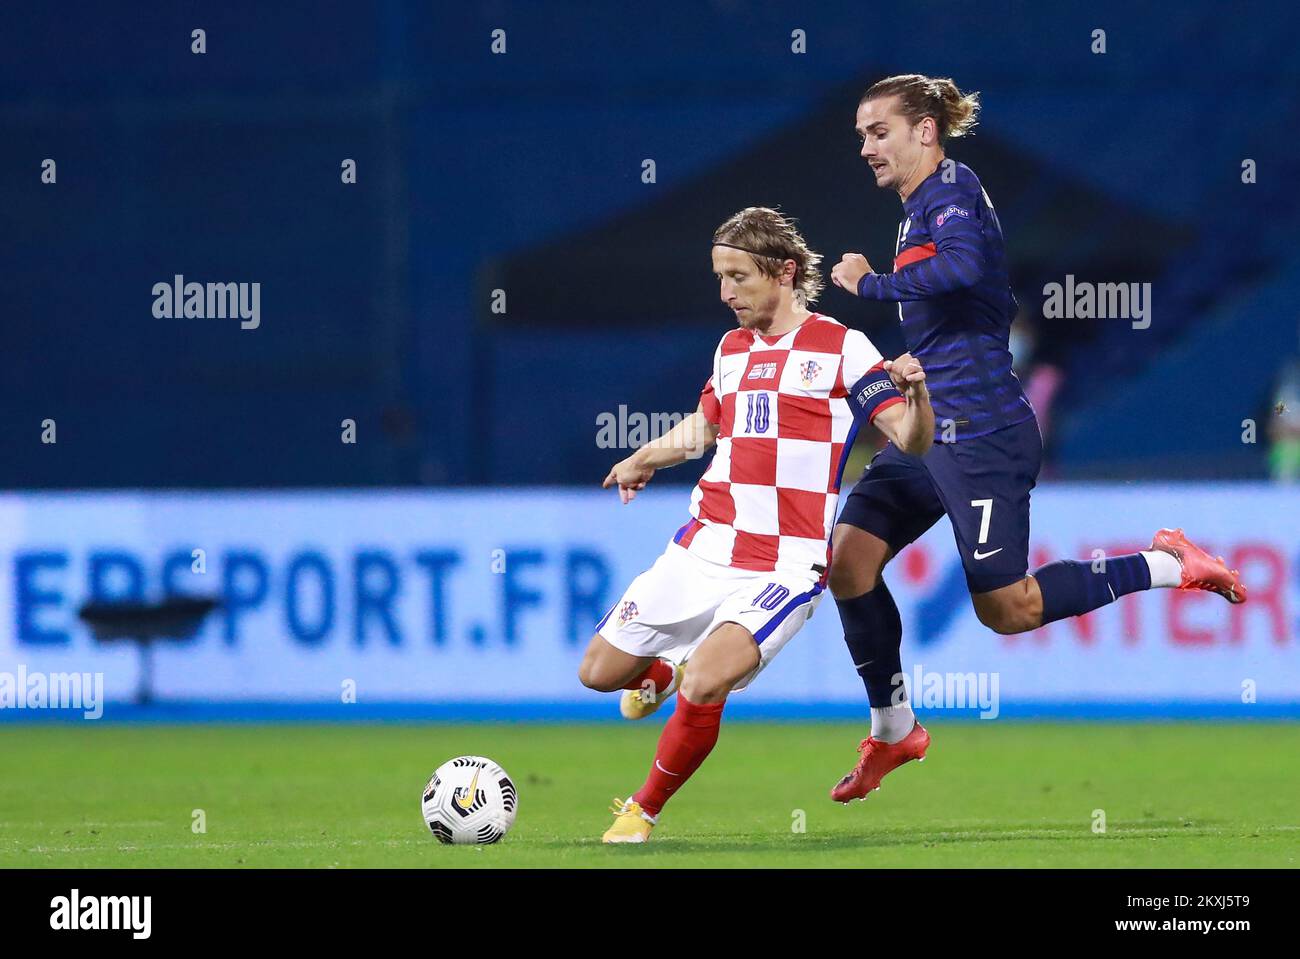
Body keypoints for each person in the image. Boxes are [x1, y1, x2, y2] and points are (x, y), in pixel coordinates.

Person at [825, 74, 1248, 803]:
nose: (865, 146)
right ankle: (895, 730)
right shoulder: (921, 205)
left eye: (878, 130)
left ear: (925, 130)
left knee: (1008, 609)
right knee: (849, 562)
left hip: (984, 432)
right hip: (933, 431)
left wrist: (870, 286)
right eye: (861, 133)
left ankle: (1167, 562)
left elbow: (959, 270)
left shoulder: (951, 192)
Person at [577, 206, 934, 842]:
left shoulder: (842, 347)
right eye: (720, 277)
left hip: (786, 563)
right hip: (705, 544)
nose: (726, 293)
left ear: (784, 272)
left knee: (710, 678)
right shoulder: (731, 349)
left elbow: (909, 439)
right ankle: (659, 672)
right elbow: (708, 428)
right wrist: (643, 459)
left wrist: (917, 394)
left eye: (738, 276)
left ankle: (643, 808)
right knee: (599, 673)